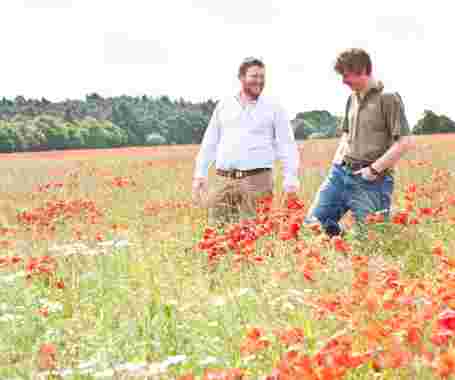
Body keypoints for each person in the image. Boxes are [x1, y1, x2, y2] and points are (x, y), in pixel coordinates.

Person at [306, 48, 414, 237]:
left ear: (363, 70)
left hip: (371, 180)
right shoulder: (351, 98)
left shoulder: (388, 98)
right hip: (340, 174)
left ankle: (351, 243)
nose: (343, 81)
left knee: (371, 239)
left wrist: (373, 170)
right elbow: (346, 135)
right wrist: (336, 164)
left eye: (346, 76)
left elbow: (404, 142)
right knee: (313, 226)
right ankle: (341, 246)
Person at [192, 57, 300, 226]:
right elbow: (210, 142)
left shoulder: (273, 107)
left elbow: (286, 145)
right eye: (254, 76)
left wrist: (291, 179)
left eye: (262, 77)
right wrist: (200, 174)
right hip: (224, 179)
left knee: (254, 233)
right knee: (216, 232)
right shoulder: (224, 105)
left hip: (258, 181)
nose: (259, 81)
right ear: (241, 77)